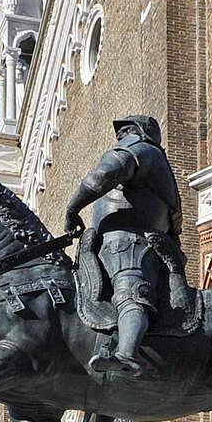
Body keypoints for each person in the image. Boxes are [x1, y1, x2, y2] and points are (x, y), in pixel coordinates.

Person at [65, 115, 192, 376]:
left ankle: (126, 354)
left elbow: (107, 172)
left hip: (130, 244)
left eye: (126, 130)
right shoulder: (159, 172)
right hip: (107, 245)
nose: (121, 137)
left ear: (139, 132)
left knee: (129, 292)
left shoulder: (143, 151)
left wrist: (72, 208)